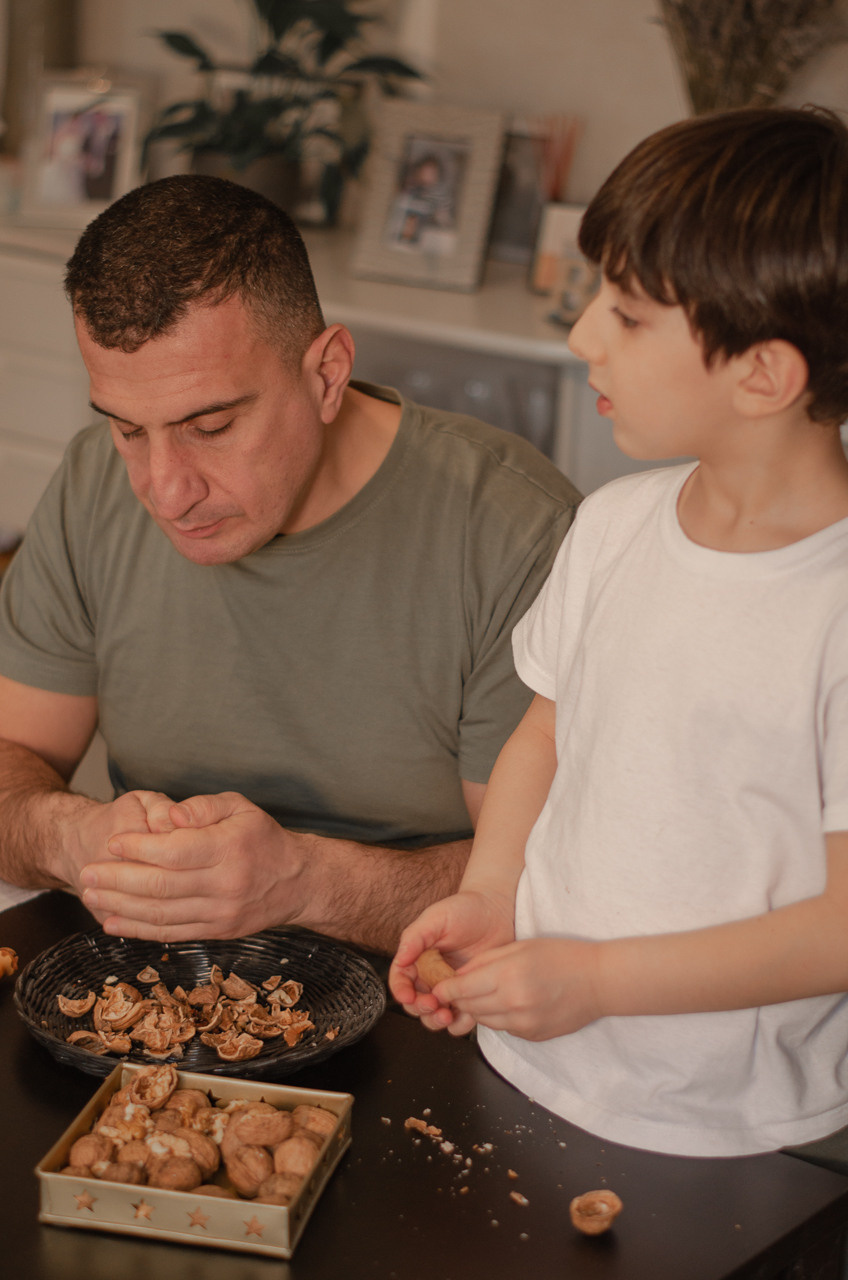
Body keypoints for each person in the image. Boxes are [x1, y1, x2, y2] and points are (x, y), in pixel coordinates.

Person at [390, 106, 848, 1158]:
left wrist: (596, 979)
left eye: (628, 313)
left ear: (761, 374)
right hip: (531, 1054)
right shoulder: (610, 525)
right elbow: (545, 737)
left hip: (728, 1129)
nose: (581, 334)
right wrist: (490, 892)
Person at [0, 174, 579, 954]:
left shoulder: (513, 531)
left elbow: (552, 881)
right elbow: (13, 767)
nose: (164, 491)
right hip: (163, 978)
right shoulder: (92, 484)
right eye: (127, 429)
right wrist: (73, 838)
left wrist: (306, 882)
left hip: (426, 993)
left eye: (209, 424)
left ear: (328, 374)